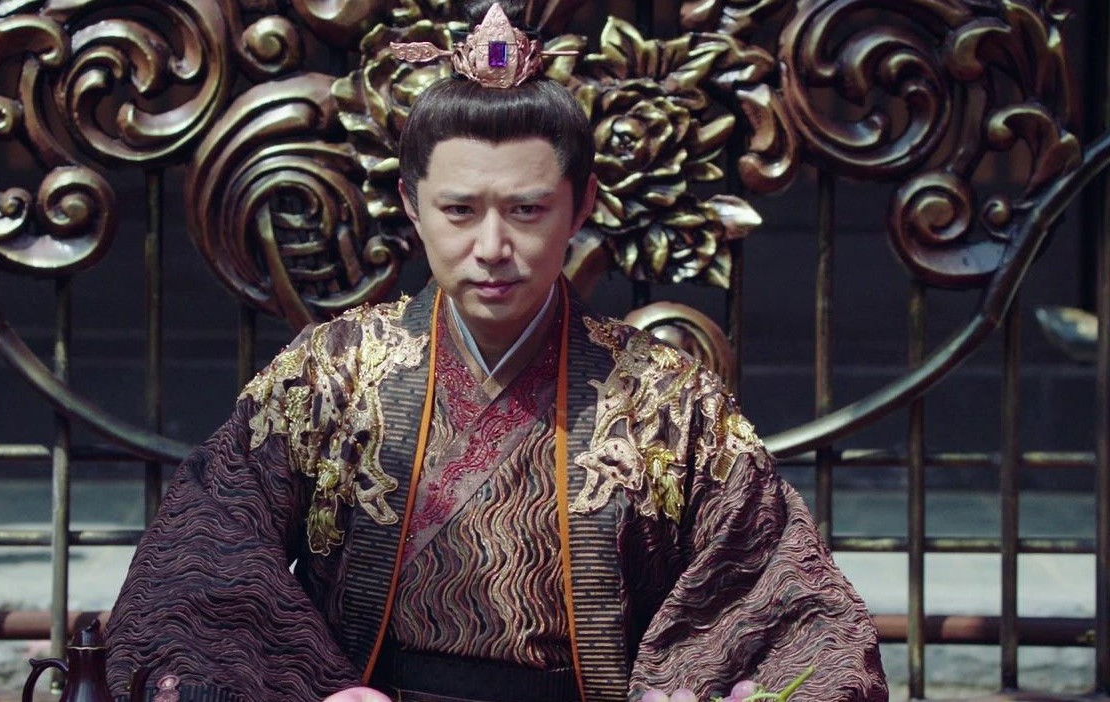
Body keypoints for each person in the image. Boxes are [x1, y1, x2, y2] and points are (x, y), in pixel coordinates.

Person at [104, 2, 889, 700]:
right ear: (412, 205)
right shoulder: (330, 375)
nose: (491, 247)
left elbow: (780, 596)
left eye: (526, 209)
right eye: (458, 209)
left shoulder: (666, 399)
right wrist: (317, 691)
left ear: (581, 204)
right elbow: (205, 553)